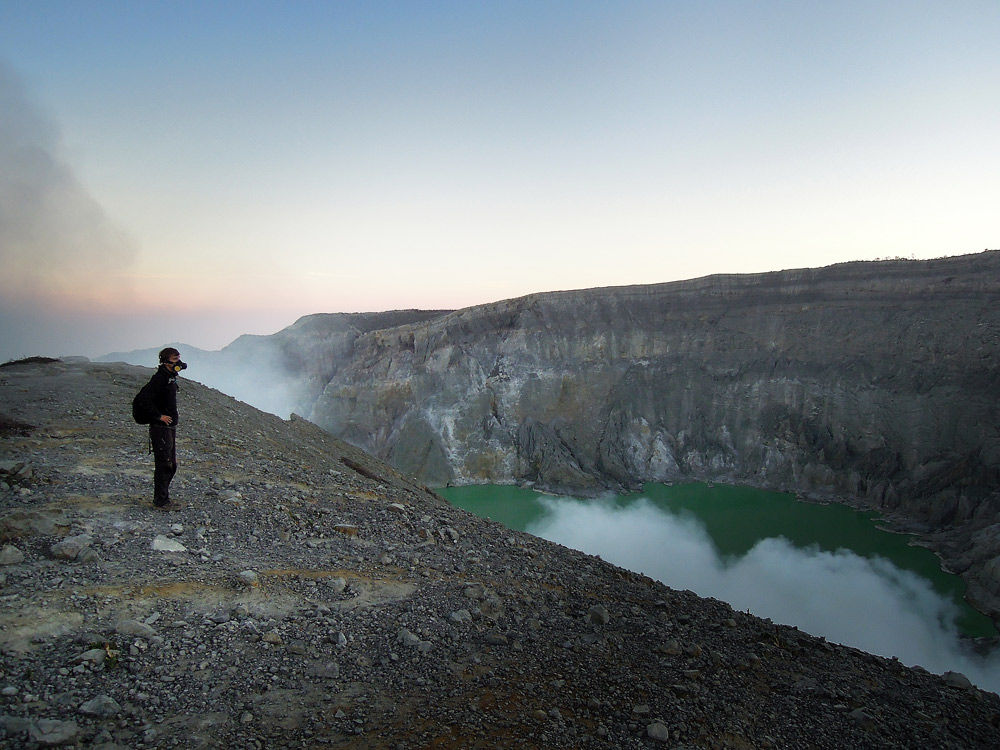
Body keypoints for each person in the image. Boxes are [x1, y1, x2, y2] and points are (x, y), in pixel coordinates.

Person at [136, 347, 187, 508]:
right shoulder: (160, 379)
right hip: (160, 427)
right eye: (174, 360)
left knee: (171, 464)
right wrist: (159, 417)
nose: (178, 363)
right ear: (166, 362)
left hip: (169, 427)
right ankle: (161, 500)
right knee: (164, 463)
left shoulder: (170, 377)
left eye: (178, 358)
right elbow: (145, 400)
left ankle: (163, 497)